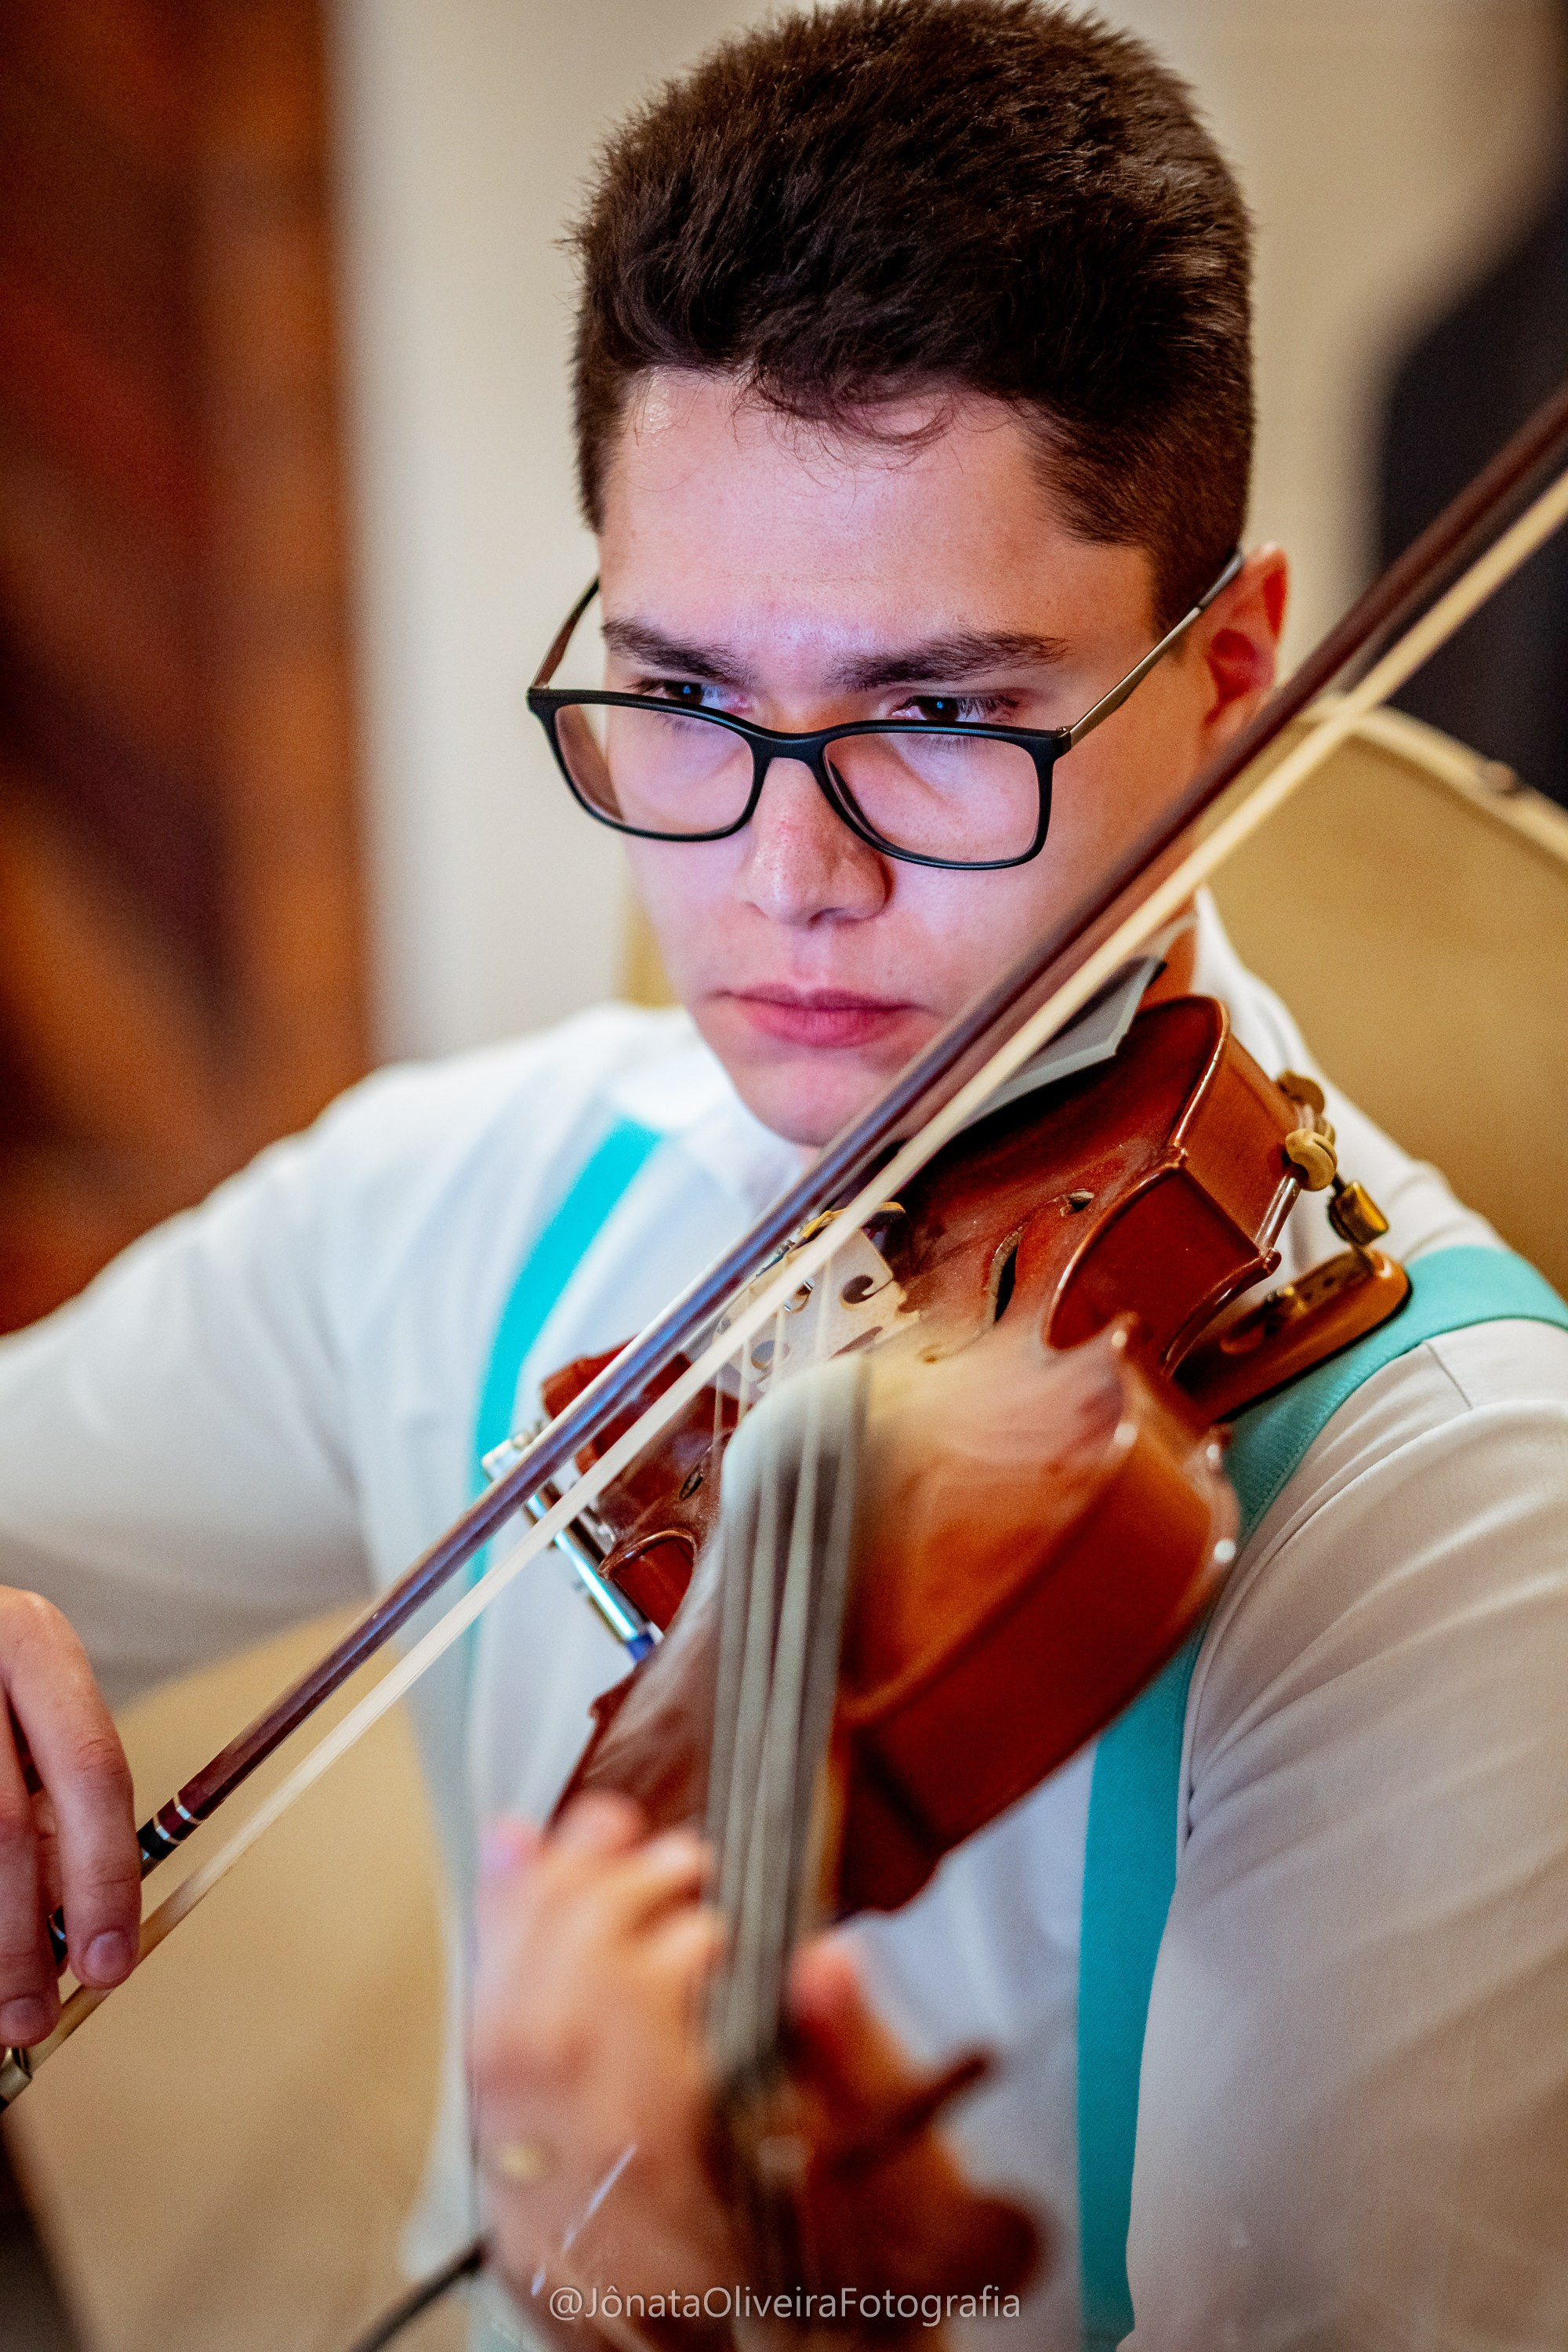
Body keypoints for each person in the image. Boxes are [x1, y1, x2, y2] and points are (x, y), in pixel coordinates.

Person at [2, 3, 1566, 2346]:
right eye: (693, 697)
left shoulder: (1471, 1551)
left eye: (941, 718)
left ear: (1234, 668)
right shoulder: (474, 1188)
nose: (781, 873)